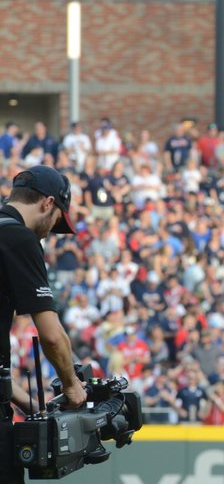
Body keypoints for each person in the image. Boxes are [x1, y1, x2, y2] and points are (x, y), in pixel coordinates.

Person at [0, 165, 87, 484]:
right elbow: (51, 336)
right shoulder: (17, 236)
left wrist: (28, 402)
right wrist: (70, 383)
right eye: (57, 221)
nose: (52, 230)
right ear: (48, 203)